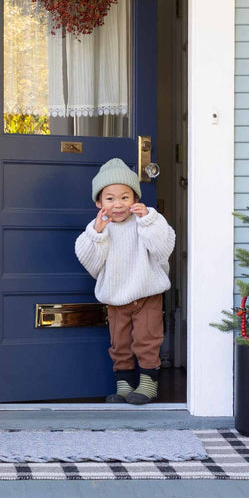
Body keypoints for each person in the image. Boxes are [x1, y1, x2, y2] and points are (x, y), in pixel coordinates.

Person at [75, 158, 176, 405]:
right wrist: (97, 234)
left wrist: (148, 220)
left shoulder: (147, 221)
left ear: (135, 199)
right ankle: (124, 385)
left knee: (147, 340)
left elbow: (163, 248)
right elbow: (90, 262)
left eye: (124, 197)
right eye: (110, 199)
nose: (118, 205)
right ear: (99, 203)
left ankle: (148, 385)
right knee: (120, 343)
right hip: (116, 296)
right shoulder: (98, 228)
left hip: (147, 293)